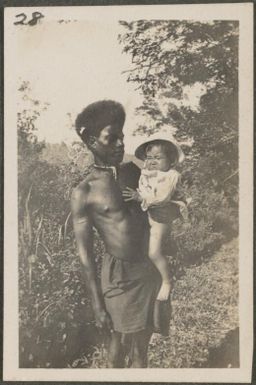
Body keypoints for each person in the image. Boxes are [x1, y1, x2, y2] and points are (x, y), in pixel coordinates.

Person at [71, 100, 161, 368]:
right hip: (117, 278)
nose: (121, 144)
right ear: (91, 140)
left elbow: (162, 198)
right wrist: (97, 303)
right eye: (111, 139)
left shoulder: (136, 173)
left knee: (141, 354)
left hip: (146, 271)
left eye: (122, 137)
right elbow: (85, 253)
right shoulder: (84, 192)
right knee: (115, 350)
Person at [122, 133, 187, 304]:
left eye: (158, 158)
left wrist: (140, 198)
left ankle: (167, 281)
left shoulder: (171, 176)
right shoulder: (149, 173)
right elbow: (145, 188)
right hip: (151, 214)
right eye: (149, 158)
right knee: (145, 247)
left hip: (161, 217)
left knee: (154, 252)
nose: (152, 161)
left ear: (171, 161)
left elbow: (162, 198)